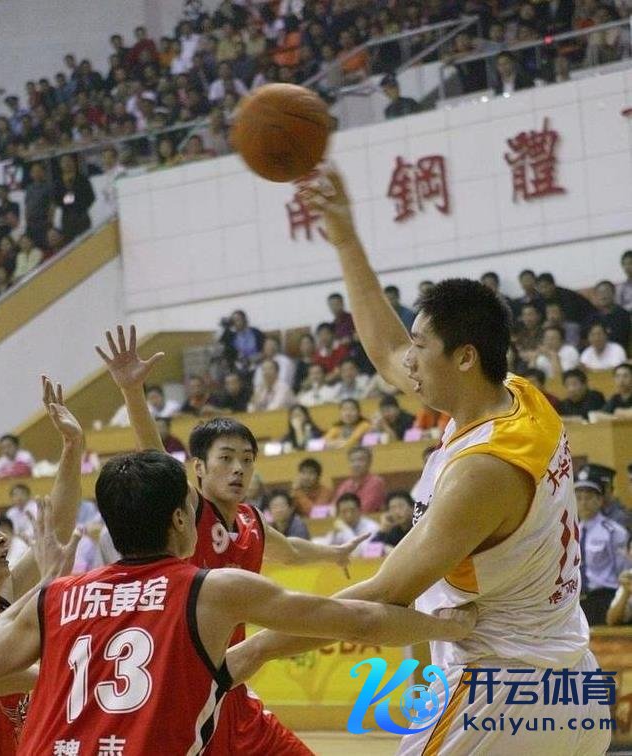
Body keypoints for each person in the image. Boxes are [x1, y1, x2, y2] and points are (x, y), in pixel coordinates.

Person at [229, 167, 611, 756]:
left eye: (421, 346)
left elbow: (383, 596)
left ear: (464, 358)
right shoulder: (517, 396)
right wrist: (345, 239)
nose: (408, 359)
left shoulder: (484, 471)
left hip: (501, 694)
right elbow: (386, 351)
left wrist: (258, 647)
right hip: (572, 684)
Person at [0, 449, 472, 756]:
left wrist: (46, 597)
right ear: (181, 519)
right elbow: (361, 622)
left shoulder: (54, 596)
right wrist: (448, 627)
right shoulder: (213, 589)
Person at [96, 325, 398, 756]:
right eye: (226, 458)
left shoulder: (251, 519)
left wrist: (334, 553)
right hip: (187, 687)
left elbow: (289, 550)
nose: (239, 469)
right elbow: (154, 453)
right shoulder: (191, 509)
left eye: (247, 460)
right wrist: (132, 391)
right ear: (199, 468)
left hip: (233, 686)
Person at [0, 376, 83, 755]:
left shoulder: (7, 589)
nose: (2, 539)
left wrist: (72, 447)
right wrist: (56, 672)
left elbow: (59, 525)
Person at [576, 475, 631, 625]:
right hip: (578, 602)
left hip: (605, 598)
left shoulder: (613, 532)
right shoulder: (572, 533)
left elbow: (623, 571)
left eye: (588, 498)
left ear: (600, 500)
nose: (583, 503)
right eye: (579, 498)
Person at [577, 463, 632, 534]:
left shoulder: (621, 518)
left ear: (608, 489)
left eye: (590, 492)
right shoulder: (587, 515)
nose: (584, 498)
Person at [53, 154, 95, 242]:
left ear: (74, 163)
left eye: (69, 161)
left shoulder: (82, 179)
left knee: (86, 242)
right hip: (67, 218)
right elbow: (56, 200)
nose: (67, 164)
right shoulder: (58, 182)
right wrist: (68, 199)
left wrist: (80, 206)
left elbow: (91, 197)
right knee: (70, 244)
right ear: (60, 165)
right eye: (64, 162)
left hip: (82, 216)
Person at [333, 446, 387, 513]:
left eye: (360, 460)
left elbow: (367, 509)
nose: (356, 464)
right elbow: (335, 507)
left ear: (369, 463)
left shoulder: (376, 482)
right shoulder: (345, 485)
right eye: (352, 461)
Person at [590, 279, 631, 349]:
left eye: (606, 292)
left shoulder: (623, 315)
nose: (603, 295)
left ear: (614, 293)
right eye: (599, 293)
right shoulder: (592, 318)